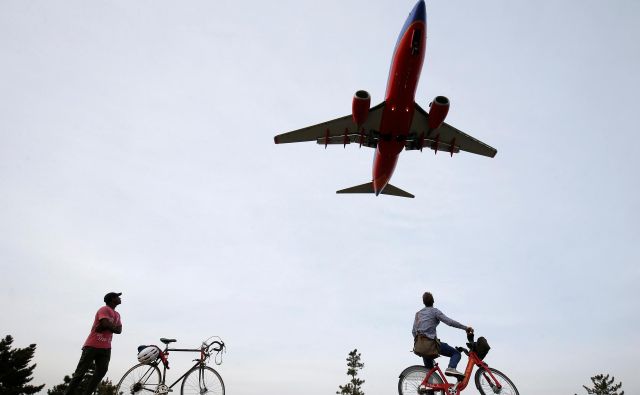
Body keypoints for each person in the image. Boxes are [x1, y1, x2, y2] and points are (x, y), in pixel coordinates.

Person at [65, 292, 123, 395]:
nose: (119, 298)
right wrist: (108, 326)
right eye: (117, 296)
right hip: (92, 345)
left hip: (106, 348)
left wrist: (107, 326)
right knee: (80, 373)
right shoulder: (104, 309)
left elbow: (119, 330)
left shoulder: (117, 315)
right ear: (112, 299)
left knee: (101, 371)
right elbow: (105, 324)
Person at [412, 292, 473, 377]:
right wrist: (465, 328)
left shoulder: (418, 314)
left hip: (421, 347)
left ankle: (427, 388)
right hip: (431, 345)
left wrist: (420, 343)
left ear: (423, 302)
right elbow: (450, 322)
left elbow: (414, 331)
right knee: (456, 354)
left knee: (430, 374)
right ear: (433, 301)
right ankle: (451, 368)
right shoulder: (434, 311)